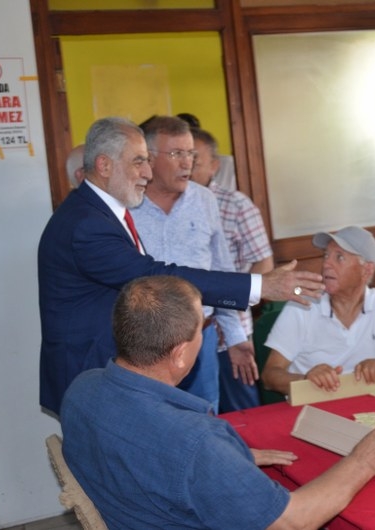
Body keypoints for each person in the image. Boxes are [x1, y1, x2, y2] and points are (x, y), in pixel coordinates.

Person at [60, 275, 375, 529]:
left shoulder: (81, 388)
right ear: (180, 354)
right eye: (202, 329)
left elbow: (145, 453)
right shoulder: (197, 441)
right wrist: (366, 459)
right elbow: (294, 521)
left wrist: (224, 462)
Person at [37, 116, 323, 416]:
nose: (147, 173)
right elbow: (152, 278)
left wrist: (236, 332)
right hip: (92, 373)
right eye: (138, 161)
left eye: (147, 161)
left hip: (132, 363)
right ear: (105, 165)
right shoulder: (88, 224)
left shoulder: (102, 211)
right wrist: (259, 285)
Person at [133, 116, 255, 410]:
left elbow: (222, 272)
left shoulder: (204, 200)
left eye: (190, 154)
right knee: (151, 421)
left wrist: (235, 337)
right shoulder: (128, 204)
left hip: (201, 338)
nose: (186, 162)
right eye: (176, 153)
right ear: (149, 157)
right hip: (143, 343)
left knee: (203, 418)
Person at [261, 226, 375, 396]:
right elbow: (270, 376)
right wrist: (305, 379)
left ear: (367, 270)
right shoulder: (302, 306)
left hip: (368, 404)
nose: (326, 264)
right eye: (326, 255)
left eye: (339, 257)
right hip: (312, 405)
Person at [191, 126, 273, 411]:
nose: (186, 166)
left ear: (214, 166)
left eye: (194, 160)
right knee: (198, 413)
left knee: (241, 411)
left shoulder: (235, 204)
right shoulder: (166, 204)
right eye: (180, 157)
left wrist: (236, 303)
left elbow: (264, 262)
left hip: (231, 331)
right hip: (186, 331)